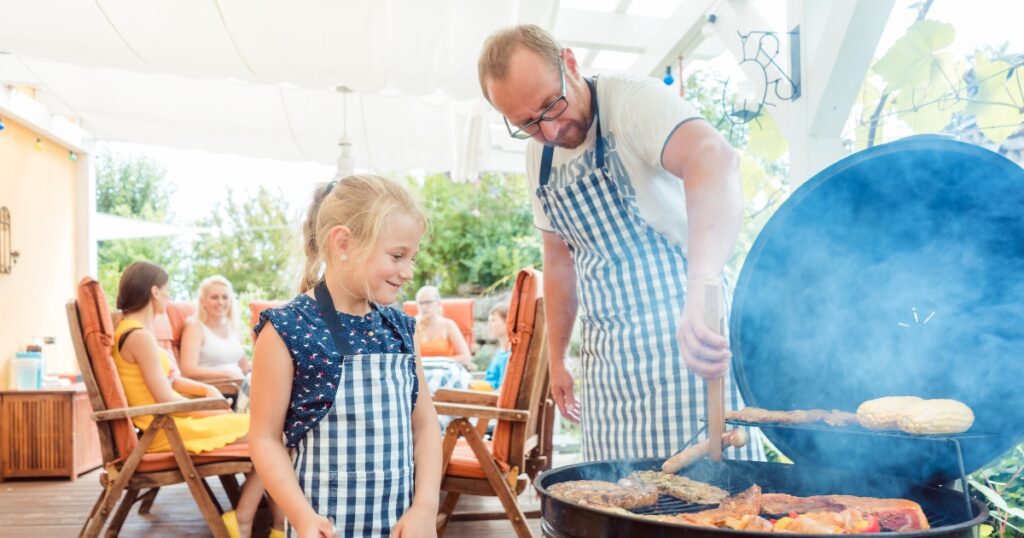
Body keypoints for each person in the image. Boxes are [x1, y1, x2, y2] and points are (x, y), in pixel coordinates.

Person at [477, 25, 763, 462]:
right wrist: (557, 359)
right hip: (609, 365)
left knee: (710, 504)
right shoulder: (540, 157)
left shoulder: (634, 103)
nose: (550, 130)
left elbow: (715, 159)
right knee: (618, 504)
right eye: (528, 124)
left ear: (569, 64)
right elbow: (558, 262)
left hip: (685, 346)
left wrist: (700, 289)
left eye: (551, 106)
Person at [249, 175, 441, 538]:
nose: (408, 271)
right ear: (343, 243)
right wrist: (302, 517)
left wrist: (426, 508)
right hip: (323, 528)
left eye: (412, 257)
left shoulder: (401, 329)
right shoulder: (286, 330)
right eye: (398, 256)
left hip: (401, 527)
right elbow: (264, 438)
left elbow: (425, 425)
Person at [112, 261, 283, 538]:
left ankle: (273, 527)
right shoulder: (138, 337)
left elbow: (171, 383)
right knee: (274, 438)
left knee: (273, 435)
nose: (167, 299)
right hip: (167, 431)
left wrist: (206, 393)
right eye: (166, 292)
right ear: (154, 292)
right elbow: (165, 399)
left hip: (171, 423)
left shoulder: (135, 333)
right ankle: (249, 521)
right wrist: (212, 412)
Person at [179, 275, 250, 383]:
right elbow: (188, 370)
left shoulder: (232, 327)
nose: (220, 302)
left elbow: (244, 365)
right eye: (214, 297)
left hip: (241, 386)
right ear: (203, 301)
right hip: (217, 391)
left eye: (225, 297)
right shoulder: (194, 327)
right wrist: (227, 375)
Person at [413, 285, 474, 369]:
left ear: (438, 303)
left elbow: (465, 357)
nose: (424, 307)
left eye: (428, 302)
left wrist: (439, 363)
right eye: (420, 303)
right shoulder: (412, 326)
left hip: (445, 371)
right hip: (420, 373)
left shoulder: (448, 325)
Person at [483, 303, 511, 390]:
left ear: (507, 322)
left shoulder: (509, 356)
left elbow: (502, 389)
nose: (489, 325)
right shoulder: (501, 352)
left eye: (493, 320)